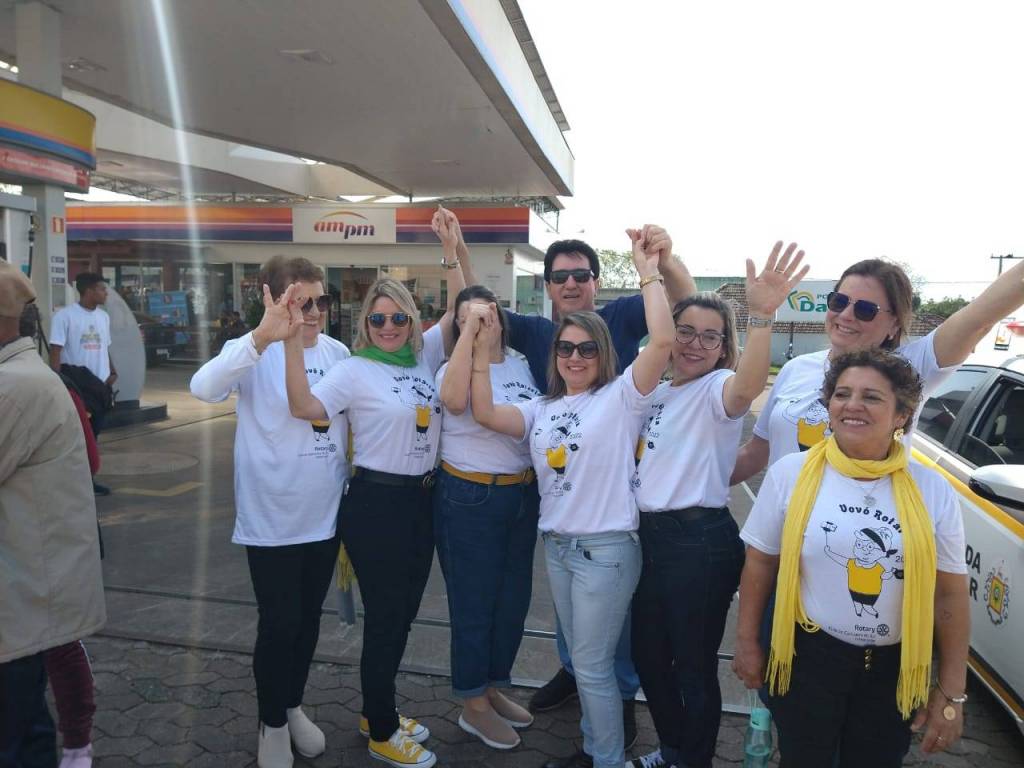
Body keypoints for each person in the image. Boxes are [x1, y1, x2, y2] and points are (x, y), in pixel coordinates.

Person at [450, 206, 696, 743]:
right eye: (566, 349)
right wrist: (458, 257)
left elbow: (669, 327)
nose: (575, 355)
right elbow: (479, 319)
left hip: (610, 526)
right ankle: (583, 687)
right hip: (559, 530)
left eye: (580, 274)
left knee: (605, 644)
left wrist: (657, 266)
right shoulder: (542, 388)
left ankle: (613, 707)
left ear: (596, 283)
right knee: (581, 642)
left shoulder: (621, 377)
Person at [277, 214, 465, 768]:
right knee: (386, 617)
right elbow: (304, 407)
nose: (388, 326)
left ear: (411, 319)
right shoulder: (355, 369)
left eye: (398, 317)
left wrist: (451, 249)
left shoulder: (424, 357)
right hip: (375, 505)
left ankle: (375, 708)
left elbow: (458, 309)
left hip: (422, 502)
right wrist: (291, 343)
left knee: (403, 615)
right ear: (366, 322)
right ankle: (382, 729)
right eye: (378, 318)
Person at [733, 349, 970, 767]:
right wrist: (748, 642)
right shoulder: (791, 473)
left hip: (894, 669)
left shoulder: (932, 490)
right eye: (842, 394)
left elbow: (949, 594)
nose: (852, 405)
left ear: (902, 415)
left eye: (872, 397)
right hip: (809, 659)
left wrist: (951, 691)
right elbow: (761, 563)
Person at [627, 244, 809, 768]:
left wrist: (761, 317)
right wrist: (660, 267)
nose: (695, 344)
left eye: (711, 336)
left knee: (692, 665)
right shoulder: (657, 391)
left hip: (699, 543)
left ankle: (693, 759)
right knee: (648, 657)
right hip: (652, 540)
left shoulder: (717, 389)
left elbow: (747, 387)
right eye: (685, 331)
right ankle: (674, 749)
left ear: (723, 346)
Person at [190, 256, 351, 768]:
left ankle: (292, 703)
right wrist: (262, 336)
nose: (315, 312)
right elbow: (203, 388)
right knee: (279, 624)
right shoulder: (252, 352)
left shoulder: (339, 353)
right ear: (275, 300)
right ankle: (272, 721)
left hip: (325, 517)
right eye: (302, 302)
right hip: (272, 520)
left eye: (322, 301)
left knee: (308, 623)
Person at [732, 257, 1024, 482]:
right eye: (839, 302)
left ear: (894, 323)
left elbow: (979, 319)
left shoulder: (909, 368)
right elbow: (757, 452)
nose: (846, 315)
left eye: (865, 310)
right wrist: (703, 488)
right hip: (779, 531)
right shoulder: (796, 368)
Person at [0, 261, 106, 768]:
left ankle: (77, 745)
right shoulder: (24, 378)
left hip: (23, 596)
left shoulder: (14, 388)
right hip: (28, 591)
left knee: (18, 734)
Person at [434, 285, 541, 750]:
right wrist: (469, 341)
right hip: (469, 496)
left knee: (511, 601)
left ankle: (492, 686)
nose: (477, 323)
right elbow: (456, 402)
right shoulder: (450, 367)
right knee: (474, 604)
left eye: (484, 315)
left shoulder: (521, 363)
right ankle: (472, 704)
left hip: (521, 494)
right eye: (464, 318)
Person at [49, 272, 117, 496]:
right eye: (102, 289)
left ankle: (88, 479)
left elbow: (105, 347)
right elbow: (55, 351)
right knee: (77, 438)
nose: (106, 293)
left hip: (100, 387)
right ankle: (74, 482)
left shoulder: (103, 317)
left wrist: (112, 370)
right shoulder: (64, 316)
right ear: (89, 291)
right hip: (78, 386)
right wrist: (56, 383)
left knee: (93, 437)